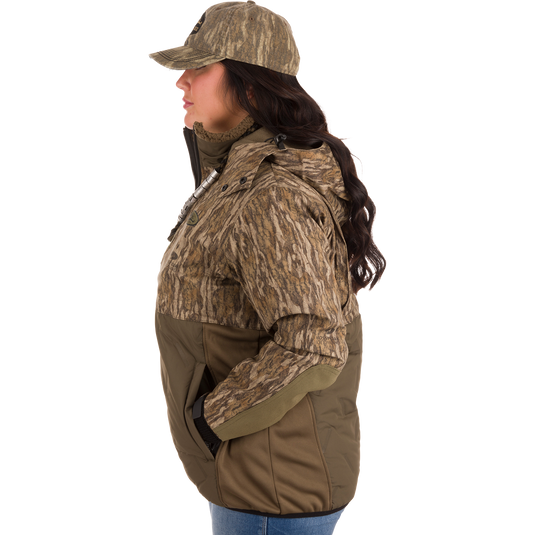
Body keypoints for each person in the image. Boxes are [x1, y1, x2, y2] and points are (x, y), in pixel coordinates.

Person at [147, 1, 388, 533]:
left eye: (198, 67)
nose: (179, 81)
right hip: (257, 474)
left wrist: (211, 420)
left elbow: (313, 342)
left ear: (251, 84)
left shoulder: (271, 193)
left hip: (272, 488)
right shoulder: (240, 175)